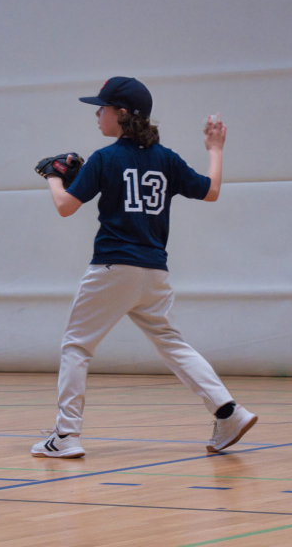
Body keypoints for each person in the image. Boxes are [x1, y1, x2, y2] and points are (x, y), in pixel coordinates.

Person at [32, 77, 257, 458]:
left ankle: (66, 435)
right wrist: (215, 149)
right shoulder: (165, 158)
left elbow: (65, 206)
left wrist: (54, 176)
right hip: (153, 272)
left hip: (113, 268)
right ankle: (228, 411)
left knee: (76, 346)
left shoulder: (105, 158)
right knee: (172, 343)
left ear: (121, 113)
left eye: (102, 108)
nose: (97, 114)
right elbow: (211, 191)